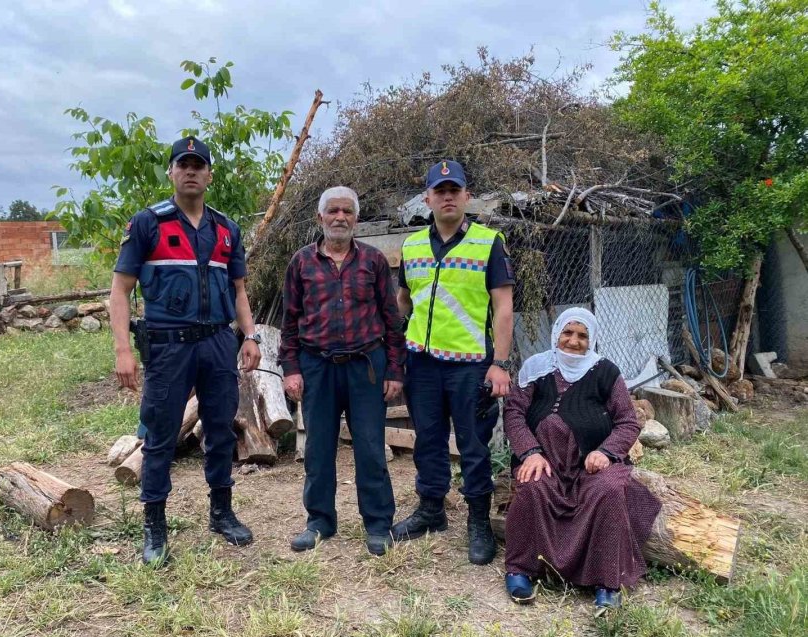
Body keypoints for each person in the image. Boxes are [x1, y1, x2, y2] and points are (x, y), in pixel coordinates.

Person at [110, 135, 262, 566]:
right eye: (183, 164)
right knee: (159, 438)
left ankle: (222, 513)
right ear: (172, 172)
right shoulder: (148, 224)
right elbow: (120, 290)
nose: (191, 170)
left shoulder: (226, 230)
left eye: (199, 165)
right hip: (168, 348)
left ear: (210, 174)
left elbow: (239, 291)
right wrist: (124, 349)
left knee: (219, 432)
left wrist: (249, 336)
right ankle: (154, 525)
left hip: (217, 344)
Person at [394, 160, 515, 565]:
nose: (447, 197)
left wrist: (499, 363)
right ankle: (431, 511)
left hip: (470, 366)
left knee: (474, 444)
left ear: (466, 196)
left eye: (454, 190)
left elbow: (503, 307)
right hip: (423, 364)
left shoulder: (488, 242)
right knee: (427, 439)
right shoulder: (410, 246)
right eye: (439, 191)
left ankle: (478, 521)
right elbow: (404, 299)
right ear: (426, 198)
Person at [501, 308, 661, 612]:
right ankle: (520, 569)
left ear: (592, 339)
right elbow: (514, 413)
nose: (573, 341)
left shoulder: (605, 372)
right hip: (544, 461)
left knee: (609, 493)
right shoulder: (536, 367)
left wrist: (606, 452)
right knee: (532, 489)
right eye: (567, 333)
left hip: (592, 465)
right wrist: (530, 453)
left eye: (582, 335)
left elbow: (627, 422)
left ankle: (607, 582)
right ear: (557, 334)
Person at [279, 186, 406, 556]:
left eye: (347, 211)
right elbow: (290, 322)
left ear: (356, 219)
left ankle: (379, 524)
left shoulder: (373, 261)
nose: (340, 218)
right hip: (316, 366)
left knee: (369, 447)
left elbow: (391, 319)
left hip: (366, 366)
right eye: (332, 211)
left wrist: (395, 370)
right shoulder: (301, 263)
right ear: (320, 218)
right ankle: (319, 521)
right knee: (318, 448)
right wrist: (291, 369)